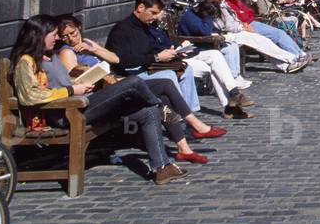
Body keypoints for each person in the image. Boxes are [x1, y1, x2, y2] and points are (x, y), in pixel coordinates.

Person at [12, 15, 187, 185]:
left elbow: (61, 83)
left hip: (81, 103)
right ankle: (161, 107)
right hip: (67, 113)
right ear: (40, 35)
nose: (57, 38)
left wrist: (80, 83)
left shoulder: (50, 56)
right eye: (54, 34)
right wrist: (72, 90)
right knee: (133, 82)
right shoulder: (26, 62)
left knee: (148, 112)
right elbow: (30, 96)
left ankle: (162, 168)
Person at [55, 16, 221, 164]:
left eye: (74, 33)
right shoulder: (67, 52)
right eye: (65, 36)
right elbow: (76, 80)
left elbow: (115, 59)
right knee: (164, 87)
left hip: (113, 85)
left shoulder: (88, 44)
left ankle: (184, 148)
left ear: (79, 28)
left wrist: (94, 49)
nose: (71, 39)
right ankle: (195, 126)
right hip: (101, 95)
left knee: (163, 95)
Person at [107, 0, 254, 120]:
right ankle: (194, 116)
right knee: (206, 68)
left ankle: (232, 97)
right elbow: (132, 57)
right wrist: (160, 55)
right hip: (157, 63)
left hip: (171, 56)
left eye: (158, 13)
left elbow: (162, 41)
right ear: (140, 8)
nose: (157, 17)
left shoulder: (148, 25)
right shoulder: (125, 29)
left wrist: (177, 47)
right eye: (154, 13)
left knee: (215, 55)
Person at [185, 0, 308, 74]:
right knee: (261, 41)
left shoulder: (221, 3)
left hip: (236, 30)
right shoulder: (211, 5)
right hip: (229, 34)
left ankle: (286, 66)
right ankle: (292, 58)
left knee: (263, 42)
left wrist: (241, 24)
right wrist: (241, 26)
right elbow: (224, 25)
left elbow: (238, 17)